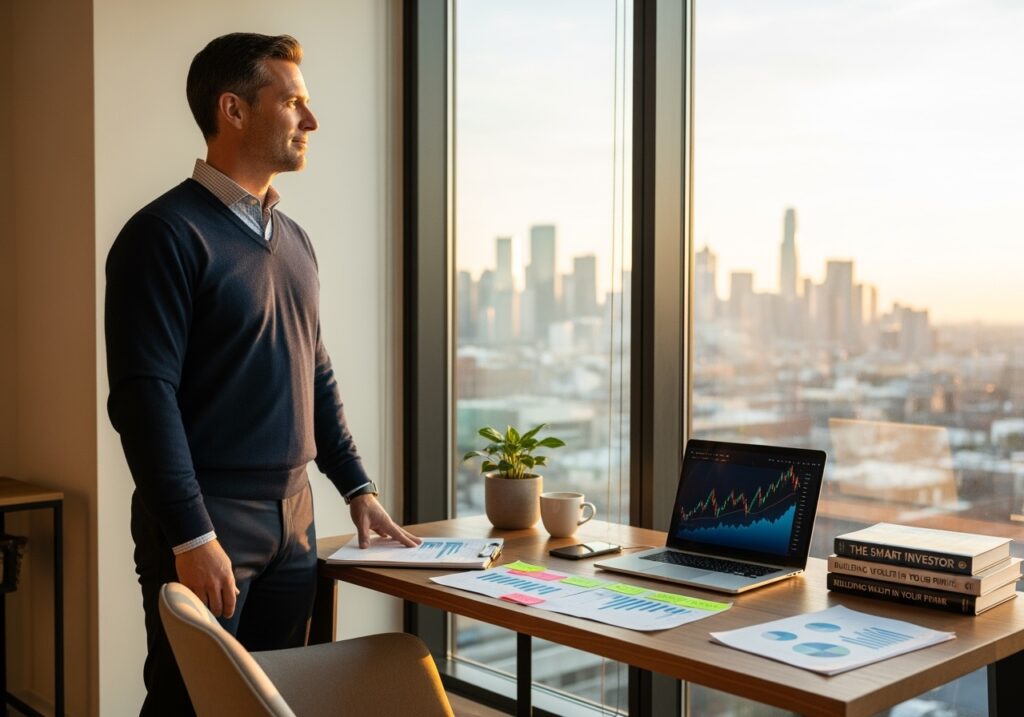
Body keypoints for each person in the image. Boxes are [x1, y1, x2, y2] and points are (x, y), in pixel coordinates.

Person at [105, 32, 420, 716]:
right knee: (189, 703)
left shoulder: (294, 240)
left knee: (278, 702)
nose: (311, 121)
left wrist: (358, 489)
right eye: (294, 103)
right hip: (210, 515)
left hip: (295, 515)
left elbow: (317, 373)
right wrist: (192, 534)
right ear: (235, 110)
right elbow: (142, 396)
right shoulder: (162, 235)